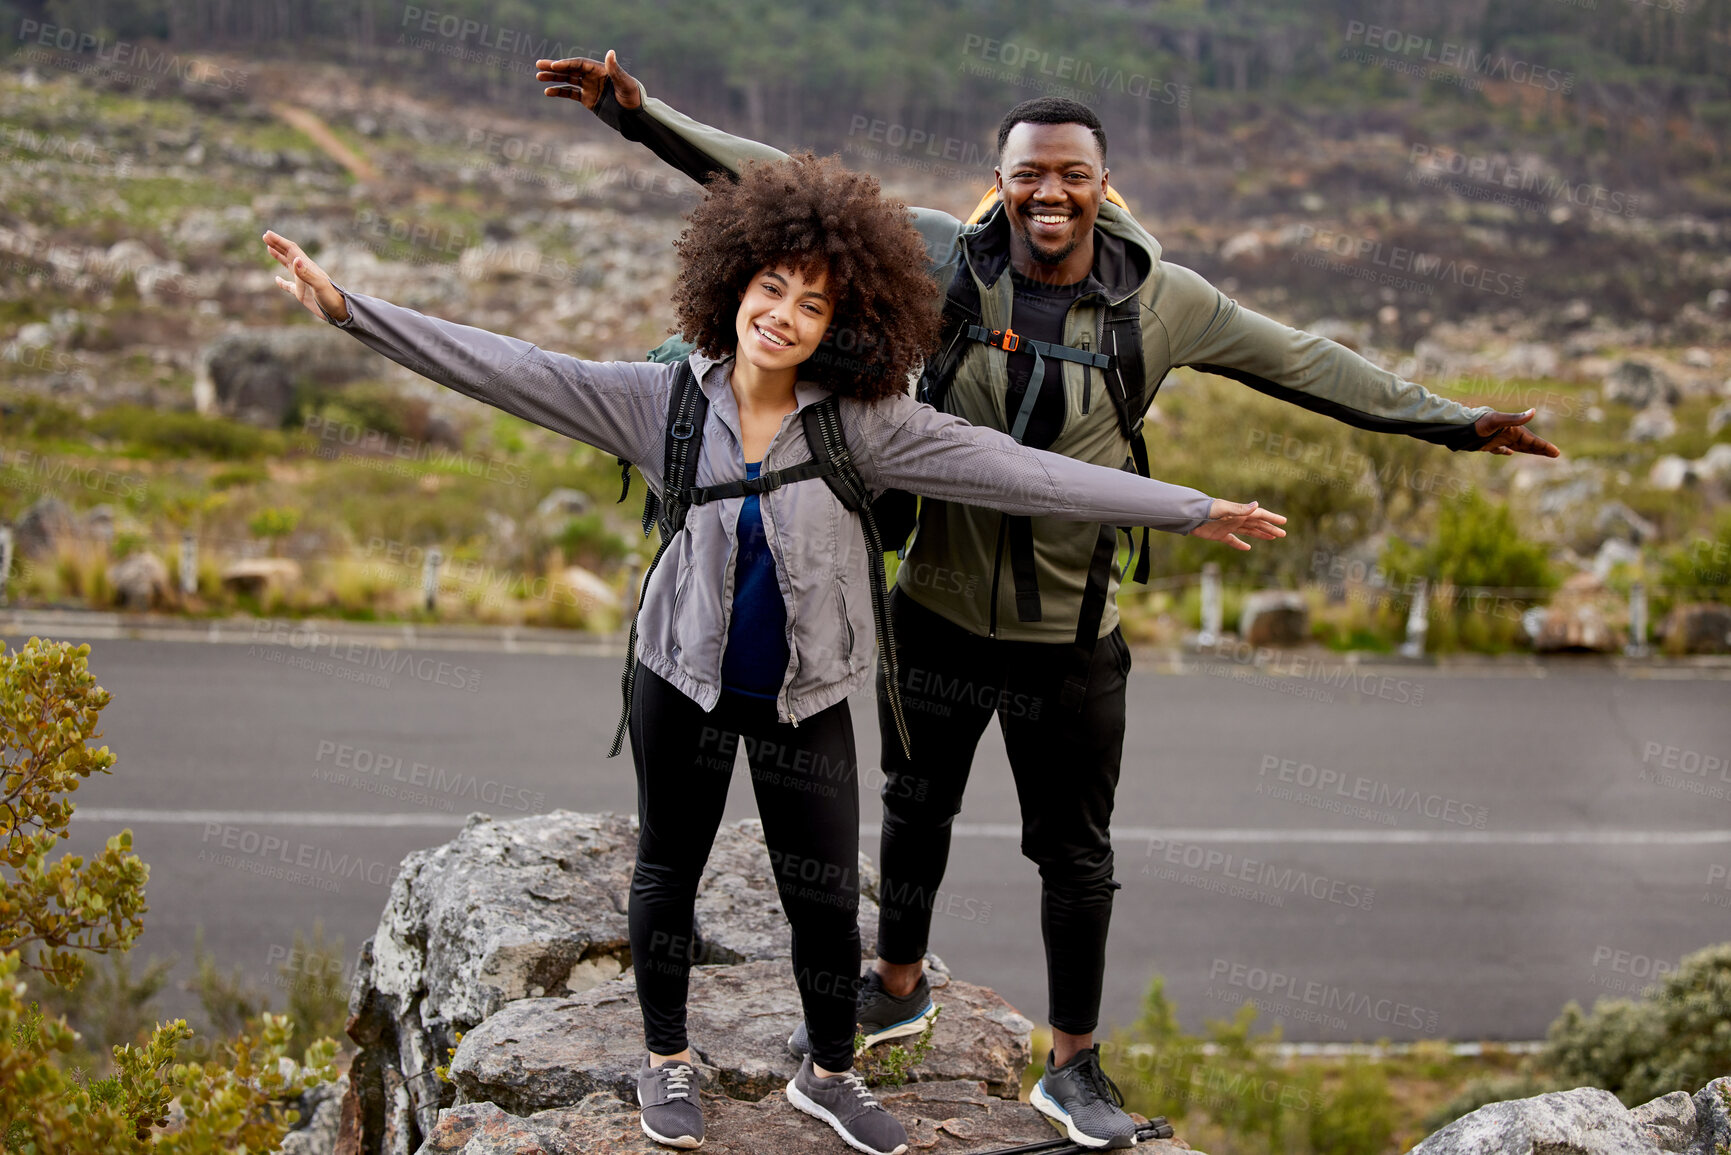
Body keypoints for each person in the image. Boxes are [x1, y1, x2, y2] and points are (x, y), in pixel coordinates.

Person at [534, 53, 1563, 1150]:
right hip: (932, 607)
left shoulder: (1164, 304)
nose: (1050, 193)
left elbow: (1302, 359)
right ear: (1002, 178)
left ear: (1101, 185)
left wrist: (1453, 420)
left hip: (1071, 636)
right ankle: (896, 985)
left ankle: (1073, 1066)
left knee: (1075, 854)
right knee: (914, 807)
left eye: (1072, 174)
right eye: (1030, 174)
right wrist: (641, 119)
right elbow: (779, 183)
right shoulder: (942, 256)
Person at [262, 152, 1285, 1155]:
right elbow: (514, 370)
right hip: (682, 680)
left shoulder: (869, 428)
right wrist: (350, 310)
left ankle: (828, 1075)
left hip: (808, 697)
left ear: (845, 328)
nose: (785, 314)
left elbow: (1028, 476)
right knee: (668, 872)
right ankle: (665, 1059)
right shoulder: (657, 403)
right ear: (735, 284)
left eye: (814, 305)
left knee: (826, 895)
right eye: (773, 287)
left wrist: (1188, 509)